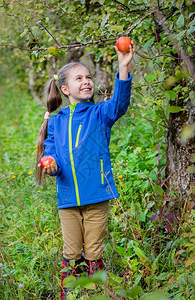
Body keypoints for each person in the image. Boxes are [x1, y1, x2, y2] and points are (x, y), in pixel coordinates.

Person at [35, 41, 135, 299]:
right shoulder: (56, 122)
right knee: (71, 251)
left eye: (88, 77)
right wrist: (52, 165)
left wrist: (123, 67)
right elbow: (52, 153)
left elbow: (120, 104)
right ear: (66, 89)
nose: (86, 81)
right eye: (79, 78)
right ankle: (70, 294)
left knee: (93, 251)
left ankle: (95, 293)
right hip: (67, 200)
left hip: (97, 196)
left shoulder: (101, 113)